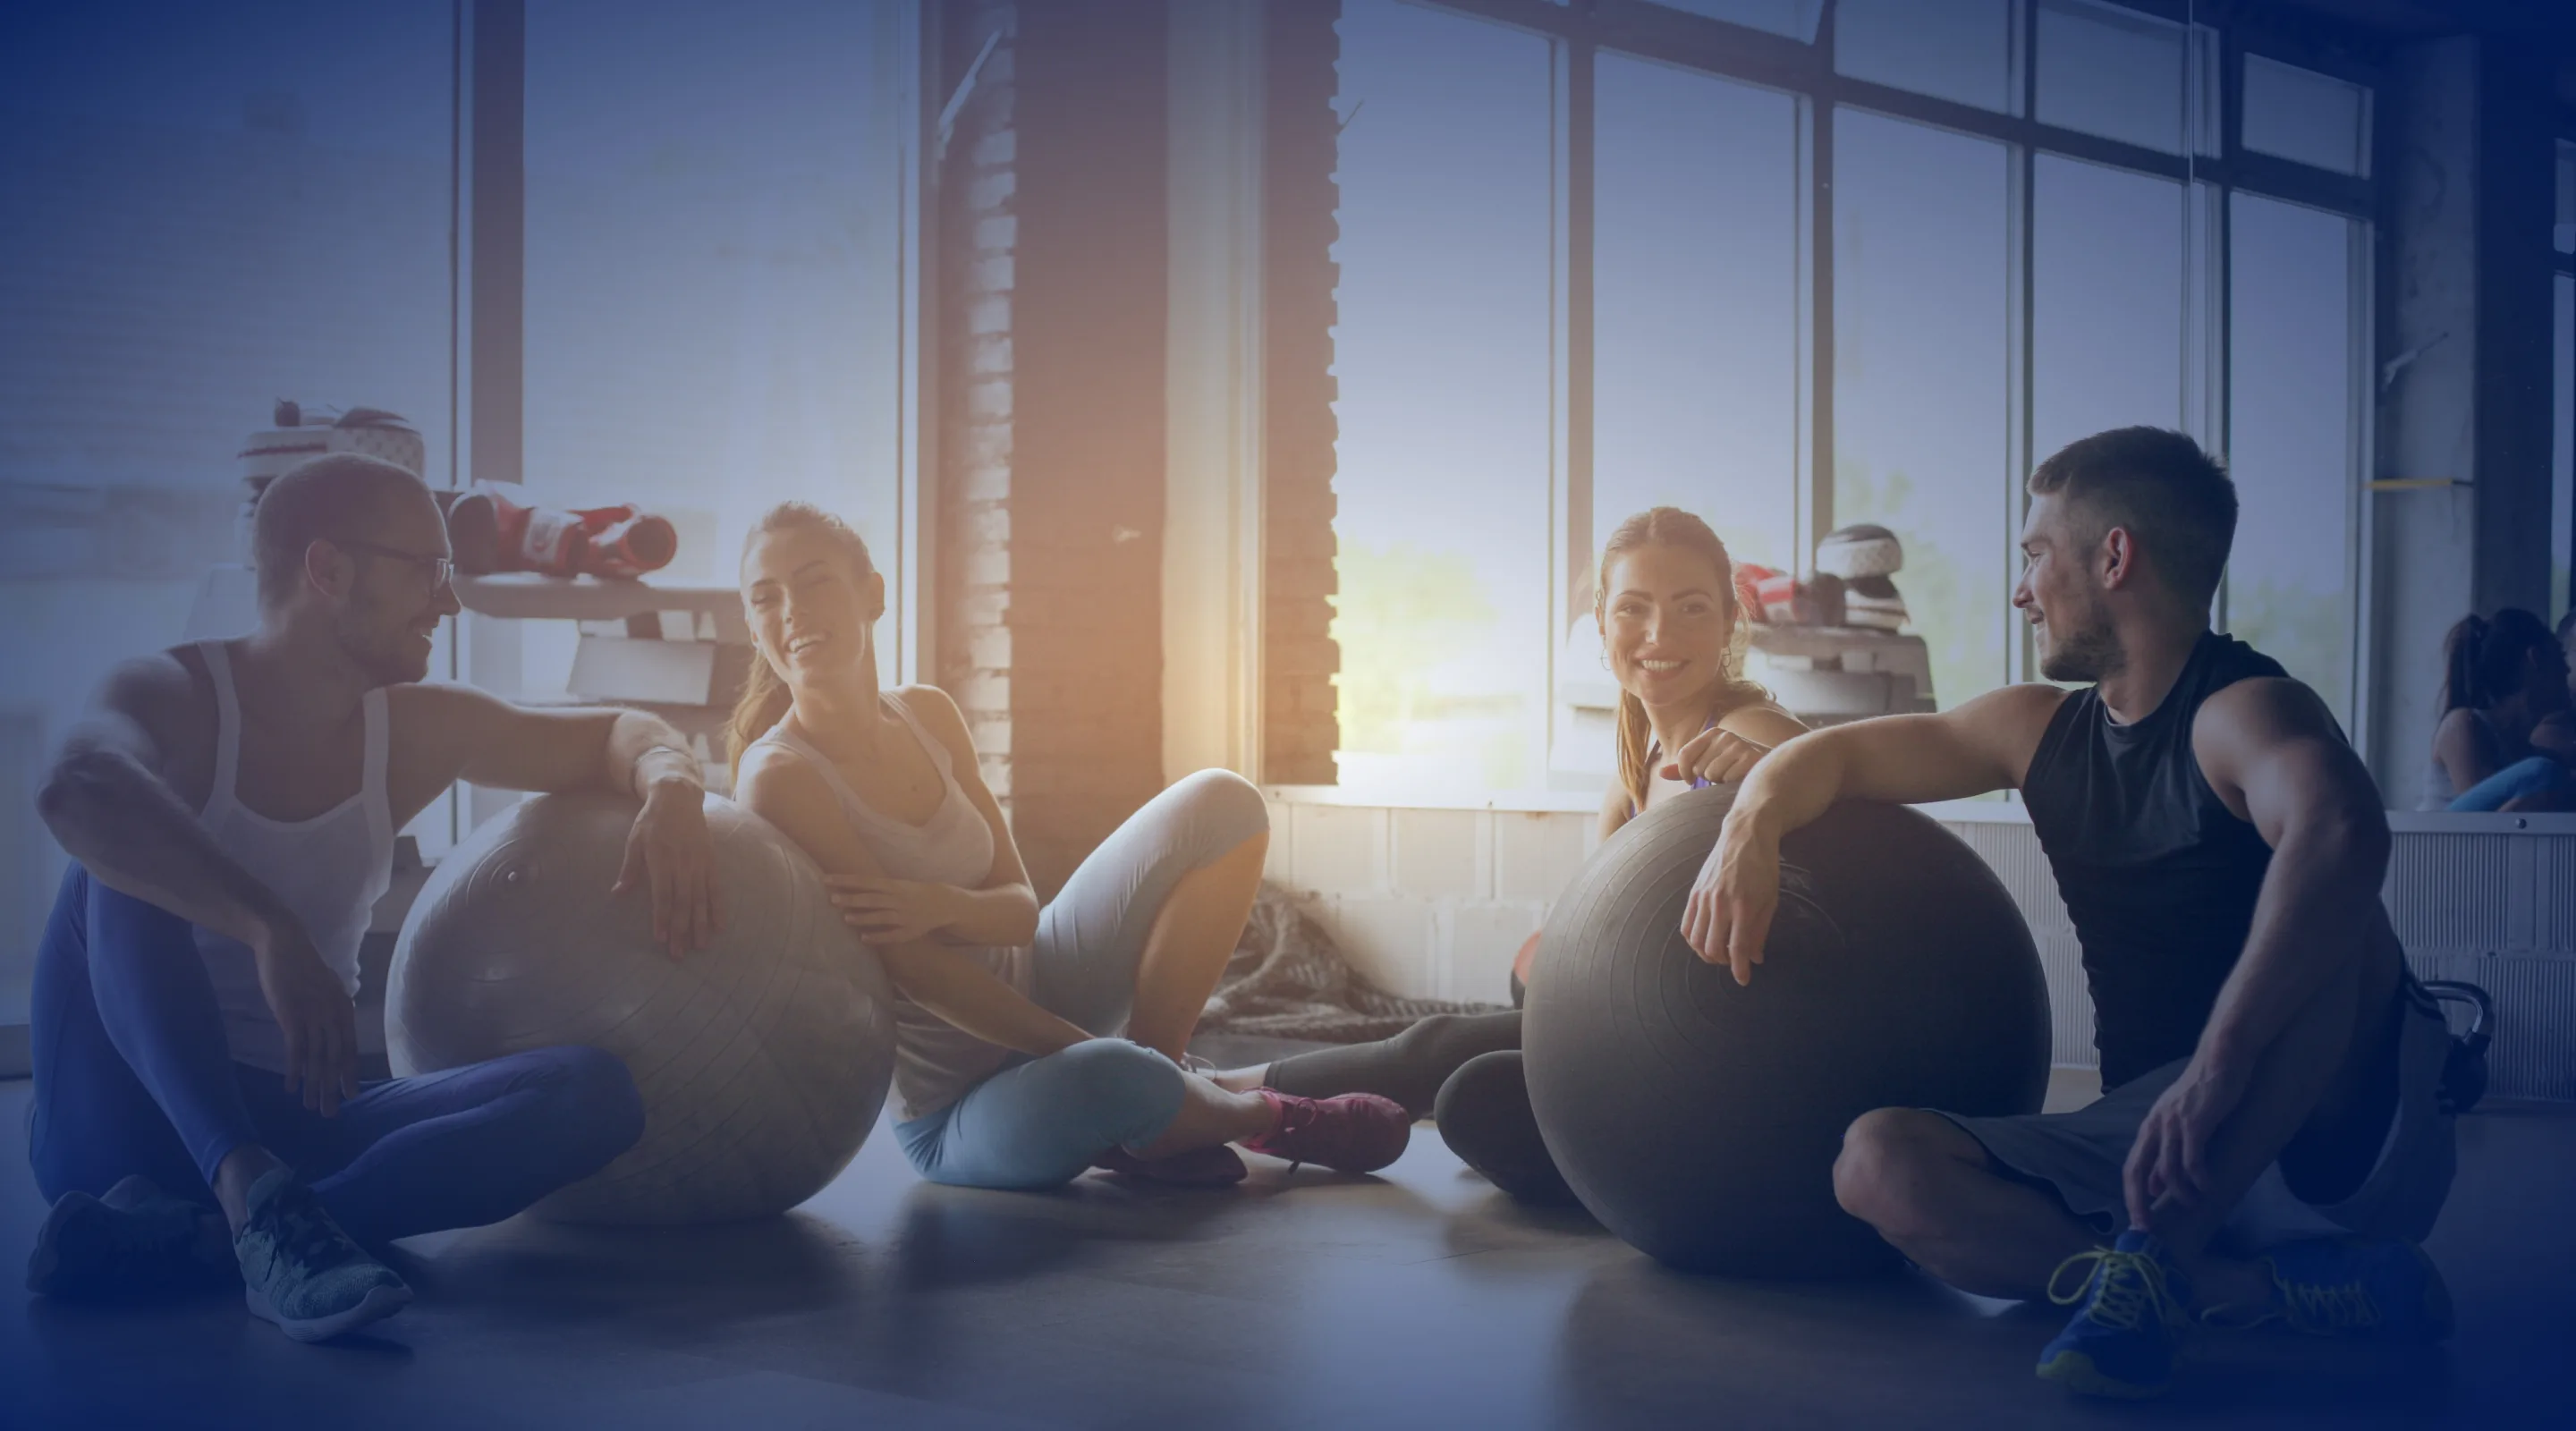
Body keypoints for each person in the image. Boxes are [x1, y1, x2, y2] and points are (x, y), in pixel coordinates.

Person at [1690, 428, 2455, 1400]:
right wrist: (1748, 826)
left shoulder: (2242, 709)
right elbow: (1836, 755)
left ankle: (2157, 1261)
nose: (2021, 590)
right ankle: (2222, 1287)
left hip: (2329, 1141)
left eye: (2034, 555)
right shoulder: (2035, 730)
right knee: (1877, 1164)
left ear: (2115, 556)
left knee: (2342, 933)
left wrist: (2217, 1069)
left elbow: (2343, 828)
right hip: (2162, 1154)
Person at [28, 453, 716, 1342]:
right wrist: (268, 926)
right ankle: (246, 1193)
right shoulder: (171, 694)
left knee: (593, 1094)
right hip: (123, 1117)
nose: (451, 601)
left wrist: (671, 782)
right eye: (429, 570)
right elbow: (73, 784)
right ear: (329, 570)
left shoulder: (416, 732)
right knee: (111, 862)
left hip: (297, 1108)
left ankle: (228, 1233)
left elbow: (623, 732)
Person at [727, 503, 1410, 1192]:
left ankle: (1160, 1106)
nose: (791, 610)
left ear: (871, 593)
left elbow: (1022, 908)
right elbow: (921, 977)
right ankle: (1254, 1111)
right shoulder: (781, 777)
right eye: (766, 598)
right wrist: (1103, 1053)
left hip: (1044, 982)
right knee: (1113, 1073)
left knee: (1225, 802)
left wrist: (934, 903)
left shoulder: (928, 713)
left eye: (814, 583)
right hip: (958, 1111)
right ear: (753, 628)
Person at [1212, 507, 1808, 1202]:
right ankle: (1249, 1103)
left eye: (1691, 608)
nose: (1658, 635)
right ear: (1601, 621)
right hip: (1640, 1028)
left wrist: (1771, 773)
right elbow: (1594, 944)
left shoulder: (1752, 734)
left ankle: (1222, 1097)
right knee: (1479, 1090)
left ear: (1731, 619)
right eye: (1634, 609)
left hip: (1725, 1062)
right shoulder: (1633, 768)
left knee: (1446, 1062)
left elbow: (1820, 781)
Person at [2424, 608, 2574, 811]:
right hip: (2445, 842)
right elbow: (2480, 830)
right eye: (2561, 656)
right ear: (2535, 659)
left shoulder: (2527, 750)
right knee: (2542, 774)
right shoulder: (2462, 725)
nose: (2567, 670)